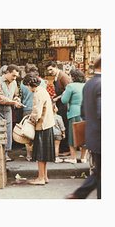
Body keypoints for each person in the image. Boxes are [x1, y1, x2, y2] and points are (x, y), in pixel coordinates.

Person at [66, 55, 101, 199]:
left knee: (100, 173)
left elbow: (83, 112)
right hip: (101, 136)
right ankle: (80, 194)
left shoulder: (89, 84)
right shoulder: (102, 84)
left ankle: (80, 194)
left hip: (93, 136)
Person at [0, 64, 23, 161]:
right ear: (7, 72)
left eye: (16, 76)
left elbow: (16, 94)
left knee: (8, 132)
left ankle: (6, 153)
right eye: (13, 75)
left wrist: (17, 99)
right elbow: (0, 98)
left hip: (8, 109)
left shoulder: (14, 82)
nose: (15, 78)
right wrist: (13, 102)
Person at [26, 74, 55, 185]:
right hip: (48, 124)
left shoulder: (37, 94)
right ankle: (45, 176)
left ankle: (41, 178)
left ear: (29, 84)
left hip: (42, 126)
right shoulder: (43, 90)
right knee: (45, 154)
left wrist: (30, 120)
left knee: (40, 154)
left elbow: (36, 112)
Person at [61, 69, 87, 164]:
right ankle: (83, 157)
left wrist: (64, 93)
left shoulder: (70, 86)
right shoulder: (86, 85)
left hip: (74, 112)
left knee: (73, 136)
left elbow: (64, 100)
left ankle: (73, 157)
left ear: (73, 77)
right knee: (84, 135)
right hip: (86, 113)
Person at [45, 61, 71, 155]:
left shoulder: (63, 76)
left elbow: (68, 90)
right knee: (61, 125)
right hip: (60, 103)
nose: (50, 72)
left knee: (63, 125)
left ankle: (66, 148)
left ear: (56, 67)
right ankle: (62, 148)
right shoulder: (57, 76)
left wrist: (57, 98)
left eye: (51, 69)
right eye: (48, 70)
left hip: (64, 104)